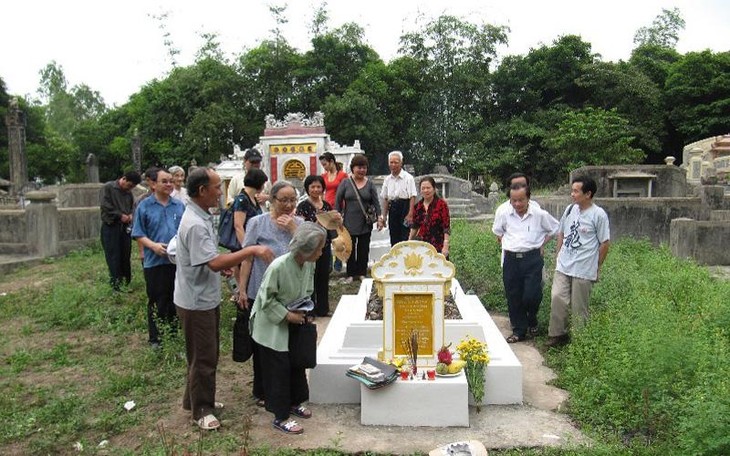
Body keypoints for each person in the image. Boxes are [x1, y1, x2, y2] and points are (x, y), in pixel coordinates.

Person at [174, 167, 274, 431]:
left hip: (202, 296)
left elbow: (210, 258)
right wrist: (249, 250)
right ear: (202, 191)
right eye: (217, 187)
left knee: (201, 352)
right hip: (195, 301)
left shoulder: (202, 215)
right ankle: (201, 410)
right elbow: (215, 262)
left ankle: (193, 400)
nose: (221, 191)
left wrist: (220, 262)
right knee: (204, 356)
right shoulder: (195, 223)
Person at [250, 222, 326, 434]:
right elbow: (265, 300)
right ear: (307, 249)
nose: (321, 253)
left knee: (296, 363)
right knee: (278, 370)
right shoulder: (278, 266)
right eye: (319, 249)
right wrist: (286, 315)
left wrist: (304, 311)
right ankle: (280, 415)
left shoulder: (309, 264)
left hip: (294, 319)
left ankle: (295, 403)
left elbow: (307, 290)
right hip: (271, 325)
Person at [239, 181, 303, 406]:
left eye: (292, 200)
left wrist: (294, 230)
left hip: (291, 293)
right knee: (263, 345)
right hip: (262, 290)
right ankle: (262, 390)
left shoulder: (301, 224)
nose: (288, 205)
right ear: (271, 200)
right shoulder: (257, 223)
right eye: (283, 200)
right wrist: (242, 289)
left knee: (289, 345)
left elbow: (307, 254)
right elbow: (247, 257)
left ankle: (290, 390)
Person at [547, 176, 610, 347]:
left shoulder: (598, 215)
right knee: (557, 298)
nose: (572, 194)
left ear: (588, 194)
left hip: (584, 267)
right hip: (564, 264)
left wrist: (597, 266)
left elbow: (604, 243)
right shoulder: (570, 209)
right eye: (572, 190)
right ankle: (557, 335)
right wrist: (558, 255)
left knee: (579, 307)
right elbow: (562, 233)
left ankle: (579, 342)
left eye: (576, 191)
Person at [492, 185, 559, 343]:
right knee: (513, 295)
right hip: (511, 259)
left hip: (532, 258)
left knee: (531, 294)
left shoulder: (539, 214)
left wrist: (542, 244)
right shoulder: (504, 213)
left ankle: (532, 317)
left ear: (528, 198)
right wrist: (508, 245)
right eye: (513, 200)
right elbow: (497, 232)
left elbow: (555, 228)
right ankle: (519, 330)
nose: (517, 204)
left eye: (521, 200)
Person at [131, 168, 185, 349]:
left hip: (176, 262)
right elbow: (138, 233)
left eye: (170, 181)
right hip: (155, 262)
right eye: (165, 181)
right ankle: (156, 338)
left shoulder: (179, 206)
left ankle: (173, 333)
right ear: (153, 184)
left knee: (175, 298)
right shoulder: (144, 206)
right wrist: (153, 245)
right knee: (157, 300)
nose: (169, 184)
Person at [296, 175, 341, 317]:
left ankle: (323, 308)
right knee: (310, 278)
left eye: (319, 187)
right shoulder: (303, 206)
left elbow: (332, 226)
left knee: (323, 276)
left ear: (323, 188)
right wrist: (319, 222)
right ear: (307, 189)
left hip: (324, 245)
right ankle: (309, 309)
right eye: (313, 187)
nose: (316, 189)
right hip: (309, 247)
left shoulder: (327, 205)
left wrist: (336, 220)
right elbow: (301, 227)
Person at [335, 154, 382, 282]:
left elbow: (376, 202)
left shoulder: (370, 184)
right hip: (349, 222)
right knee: (350, 248)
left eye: (364, 167)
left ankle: (361, 272)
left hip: (365, 222)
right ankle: (350, 273)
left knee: (363, 248)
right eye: (359, 167)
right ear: (352, 168)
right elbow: (338, 201)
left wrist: (379, 218)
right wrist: (337, 215)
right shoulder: (345, 183)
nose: (361, 170)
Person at [100, 170, 141, 291]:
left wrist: (130, 215)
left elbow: (131, 207)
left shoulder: (128, 193)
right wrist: (119, 215)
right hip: (111, 226)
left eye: (132, 187)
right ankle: (116, 284)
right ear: (123, 179)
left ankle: (126, 281)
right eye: (129, 185)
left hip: (125, 228)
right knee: (114, 256)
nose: (130, 188)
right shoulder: (108, 187)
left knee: (125, 254)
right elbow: (105, 205)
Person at [380, 151, 417, 246]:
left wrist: (410, 214)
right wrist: (384, 216)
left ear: (401, 163)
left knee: (405, 236)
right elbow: (385, 198)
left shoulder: (408, 178)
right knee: (394, 236)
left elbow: (412, 196)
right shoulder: (387, 179)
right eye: (391, 162)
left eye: (396, 162)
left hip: (405, 207)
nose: (393, 164)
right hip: (393, 208)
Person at [409, 176, 451, 257]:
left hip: (438, 244)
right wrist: (409, 242)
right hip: (422, 245)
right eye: (423, 188)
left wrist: (446, 245)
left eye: (428, 188)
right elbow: (415, 227)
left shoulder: (442, 205)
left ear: (434, 189)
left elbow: (446, 227)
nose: (426, 190)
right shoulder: (417, 207)